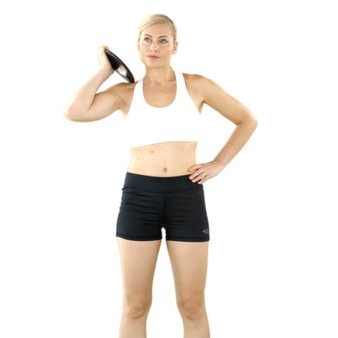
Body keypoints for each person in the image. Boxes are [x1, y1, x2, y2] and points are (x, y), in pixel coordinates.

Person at [63, 13, 257, 338]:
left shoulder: (196, 85)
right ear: (138, 46)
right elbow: (74, 111)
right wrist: (103, 71)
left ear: (175, 46)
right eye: (147, 39)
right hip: (139, 197)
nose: (154, 46)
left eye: (162, 40)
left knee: (191, 304)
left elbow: (246, 120)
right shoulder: (126, 93)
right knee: (135, 305)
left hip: (186, 196)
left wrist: (218, 163)